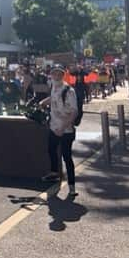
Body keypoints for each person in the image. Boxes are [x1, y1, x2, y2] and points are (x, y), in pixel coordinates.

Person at [40, 65, 78, 197]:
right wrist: (43, 102)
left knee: (67, 157)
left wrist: (62, 128)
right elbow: (54, 98)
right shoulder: (54, 87)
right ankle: (54, 173)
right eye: (54, 74)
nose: (56, 76)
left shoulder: (68, 90)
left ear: (63, 75)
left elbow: (74, 112)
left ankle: (72, 186)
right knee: (51, 149)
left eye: (59, 74)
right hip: (53, 126)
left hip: (66, 130)